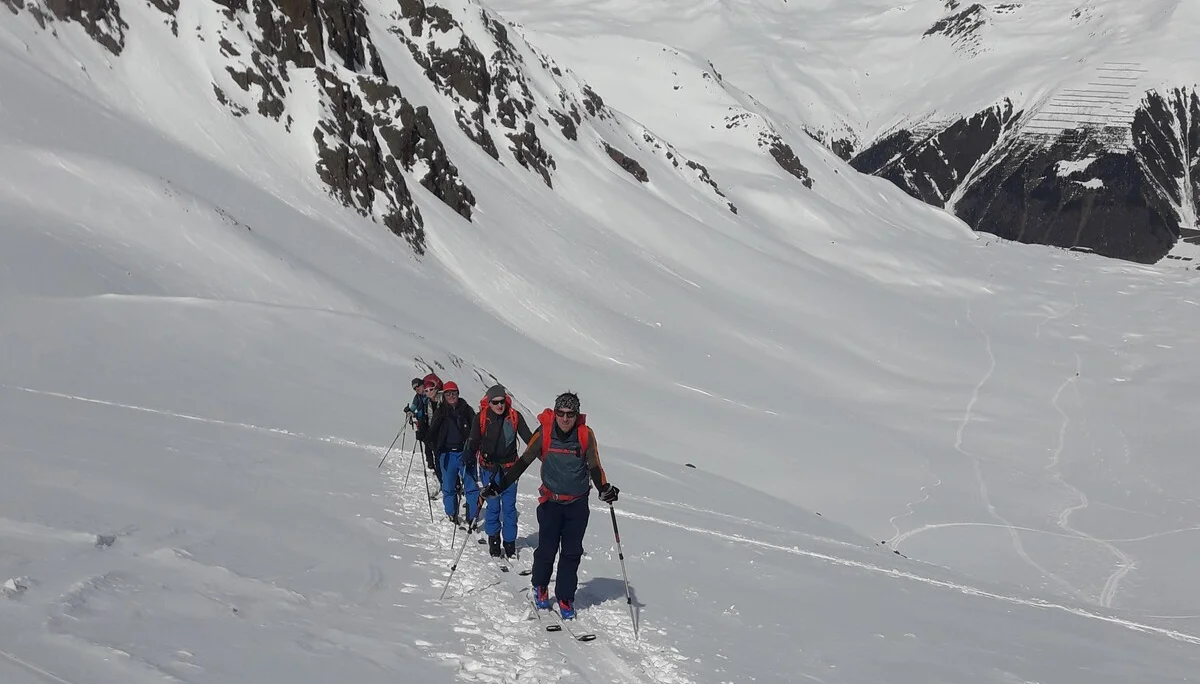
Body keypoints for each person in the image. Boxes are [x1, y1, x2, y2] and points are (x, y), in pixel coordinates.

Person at [481, 391, 619, 620]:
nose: (565, 419)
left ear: (576, 415)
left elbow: (595, 466)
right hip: (551, 502)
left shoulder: (585, 435)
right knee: (547, 548)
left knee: (572, 552)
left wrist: (604, 489)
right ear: (555, 413)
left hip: (577, 503)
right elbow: (523, 461)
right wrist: (500, 486)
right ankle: (540, 585)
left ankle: (565, 596)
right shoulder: (544, 432)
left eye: (570, 414)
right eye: (561, 413)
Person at [464, 384, 533, 558]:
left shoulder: (515, 417)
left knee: (509, 507)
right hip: (488, 468)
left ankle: (509, 543)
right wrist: (468, 457)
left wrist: (546, 458)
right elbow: (473, 441)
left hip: (510, 470)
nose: (499, 406)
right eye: (495, 402)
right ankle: (494, 540)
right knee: (493, 506)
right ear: (489, 402)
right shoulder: (481, 417)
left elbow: (530, 441)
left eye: (502, 402)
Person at [428, 381, 478, 525]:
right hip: (447, 454)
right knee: (448, 486)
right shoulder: (441, 412)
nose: (451, 396)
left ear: (458, 394)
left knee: (471, 486)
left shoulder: (466, 409)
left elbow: (475, 430)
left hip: (465, 453)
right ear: (444, 395)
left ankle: (472, 516)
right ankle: (451, 513)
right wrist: (434, 447)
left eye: (454, 393)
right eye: (448, 393)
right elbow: (432, 433)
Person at [416, 375, 443, 486]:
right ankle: (444, 484)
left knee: (444, 461)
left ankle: (451, 485)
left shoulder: (443, 399)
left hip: (444, 436)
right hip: (434, 436)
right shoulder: (426, 403)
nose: (429, 392)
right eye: (427, 390)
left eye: (431, 389)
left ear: (436, 388)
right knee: (438, 460)